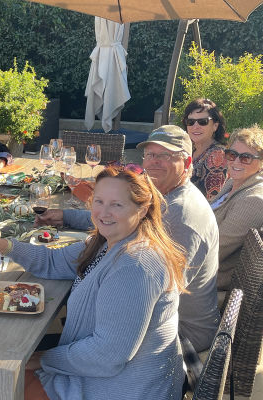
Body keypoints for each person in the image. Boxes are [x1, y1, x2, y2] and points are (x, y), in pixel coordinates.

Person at [0, 166, 186, 399]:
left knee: (2, 380)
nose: (104, 212)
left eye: (116, 205)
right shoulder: (105, 242)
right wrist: (4, 246)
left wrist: (43, 359)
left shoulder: (134, 265)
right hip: (103, 371)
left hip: (124, 387)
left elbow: (107, 356)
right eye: (99, 201)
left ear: (142, 209)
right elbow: (52, 261)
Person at [37, 125, 220, 352]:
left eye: (165, 156)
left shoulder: (181, 216)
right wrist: (66, 216)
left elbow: (153, 293)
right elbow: (122, 216)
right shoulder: (166, 195)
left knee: (43, 325)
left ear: (187, 163)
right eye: (150, 155)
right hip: (154, 324)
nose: (154, 162)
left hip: (180, 335)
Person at [210, 125, 263, 291]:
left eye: (246, 158)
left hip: (208, 285)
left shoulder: (254, 200)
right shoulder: (233, 182)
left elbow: (215, 250)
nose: (236, 162)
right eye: (232, 155)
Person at [182, 98, 228, 201]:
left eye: (203, 122)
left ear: (215, 126)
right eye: (191, 122)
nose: (195, 126)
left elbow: (211, 199)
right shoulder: (190, 150)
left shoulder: (217, 155)